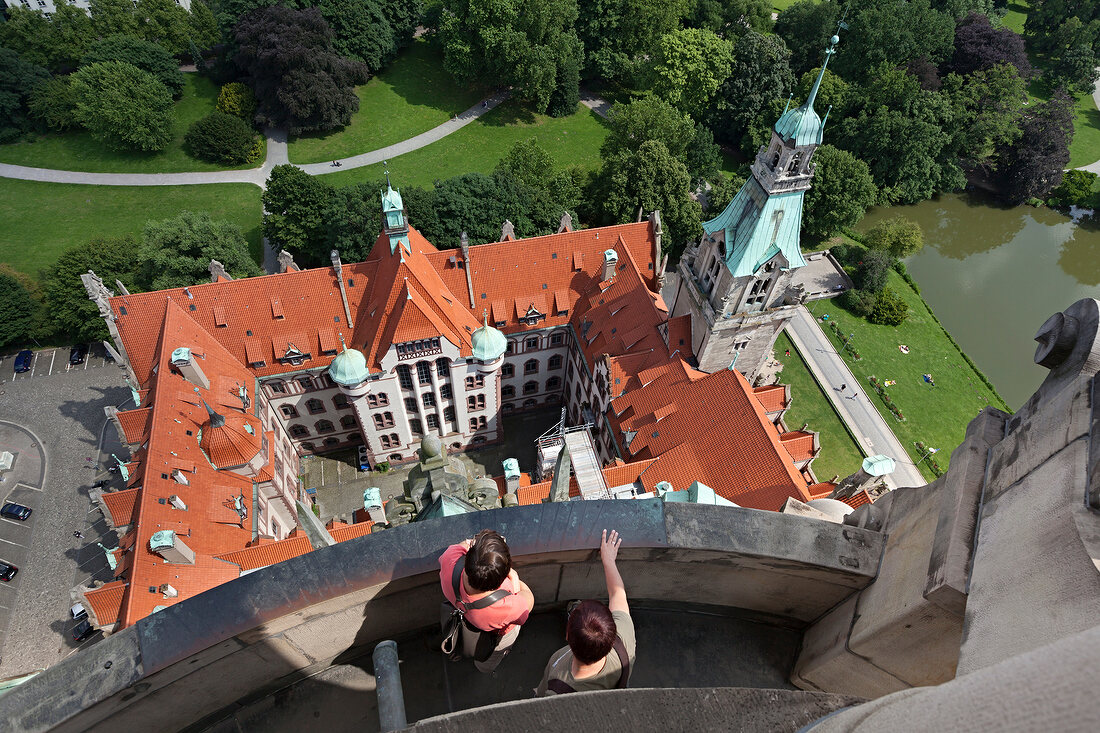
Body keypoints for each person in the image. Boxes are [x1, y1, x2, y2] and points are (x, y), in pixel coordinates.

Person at [536, 529, 635, 696]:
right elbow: (618, 594)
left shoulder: (558, 684)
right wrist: (609, 561)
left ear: (567, 635)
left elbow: (542, 697)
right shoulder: (623, 642)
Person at [439, 529, 534, 673]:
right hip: (495, 634)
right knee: (491, 657)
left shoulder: (450, 561)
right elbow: (528, 600)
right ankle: (484, 668)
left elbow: (460, 546)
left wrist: (484, 552)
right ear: (501, 578)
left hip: (462, 614)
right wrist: (514, 578)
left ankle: (459, 650)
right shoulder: (506, 606)